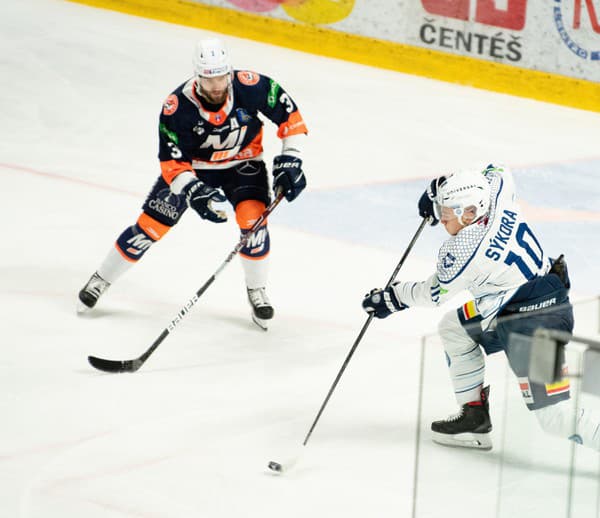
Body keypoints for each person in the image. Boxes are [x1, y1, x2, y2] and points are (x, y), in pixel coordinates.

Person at [361, 164, 600, 451]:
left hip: (534, 324)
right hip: (533, 297)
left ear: (470, 213)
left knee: (555, 418)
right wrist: (439, 187)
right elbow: (496, 170)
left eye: (446, 213)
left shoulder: (462, 251)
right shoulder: (498, 193)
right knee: (455, 328)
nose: (441, 219)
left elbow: (433, 294)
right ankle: (473, 418)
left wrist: (393, 297)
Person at [77, 38, 308, 329]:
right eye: (208, 80)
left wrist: (292, 158)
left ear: (229, 72)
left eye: (221, 78)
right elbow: (173, 163)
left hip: (243, 163)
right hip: (194, 170)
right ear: (197, 76)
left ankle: (257, 289)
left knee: (253, 223)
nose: (216, 87)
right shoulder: (177, 107)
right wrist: (191, 189)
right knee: (151, 226)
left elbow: (291, 117)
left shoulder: (253, 86)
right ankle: (101, 279)